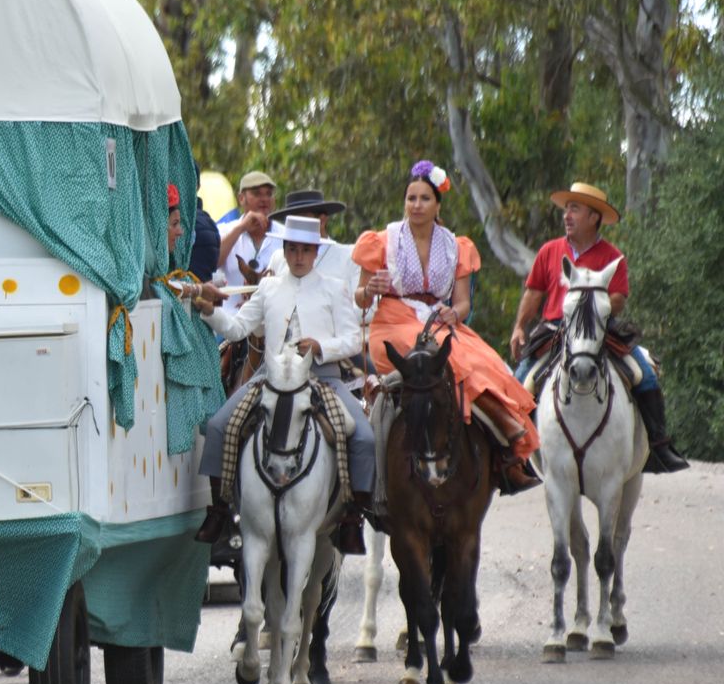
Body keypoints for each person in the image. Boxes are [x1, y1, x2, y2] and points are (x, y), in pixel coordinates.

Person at [185, 215, 375, 555]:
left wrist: (321, 347)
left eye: (305, 250)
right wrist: (210, 312)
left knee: (363, 436)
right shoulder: (269, 288)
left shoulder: (334, 288)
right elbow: (238, 328)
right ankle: (219, 510)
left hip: (323, 377)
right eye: (292, 249)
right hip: (270, 378)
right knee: (217, 426)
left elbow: (351, 338)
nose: (299, 256)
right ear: (284, 250)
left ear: (315, 251)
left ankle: (352, 518)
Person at [352, 161, 541, 494]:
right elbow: (360, 299)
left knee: (487, 362)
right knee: (449, 360)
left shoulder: (456, 245)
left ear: (438, 204)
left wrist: (456, 313)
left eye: (425, 198)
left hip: (437, 320)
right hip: (393, 320)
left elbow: (463, 302)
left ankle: (507, 450)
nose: (416, 205)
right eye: (411, 198)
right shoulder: (382, 241)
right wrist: (370, 290)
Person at [508, 182, 687, 472]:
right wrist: (519, 327)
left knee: (644, 375)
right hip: (554, 330)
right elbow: (533, 292)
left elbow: (618, 299)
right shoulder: (550, 251)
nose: (567, 215)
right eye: (567, 209)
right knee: (520, 381)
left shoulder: (613, 257)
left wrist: (592, 305)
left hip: (599, 330)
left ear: (594, 218)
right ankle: (514, 455)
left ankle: (658, 446)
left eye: (575, 209)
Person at [214, 171, 281, 309]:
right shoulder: (224, 230)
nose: (264, 199)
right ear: (241, 198)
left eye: (268, 194)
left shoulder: (284, 234)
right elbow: (212, 263)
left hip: (272, 324)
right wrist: (241, 228)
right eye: (257, 194)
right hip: (231, 323)